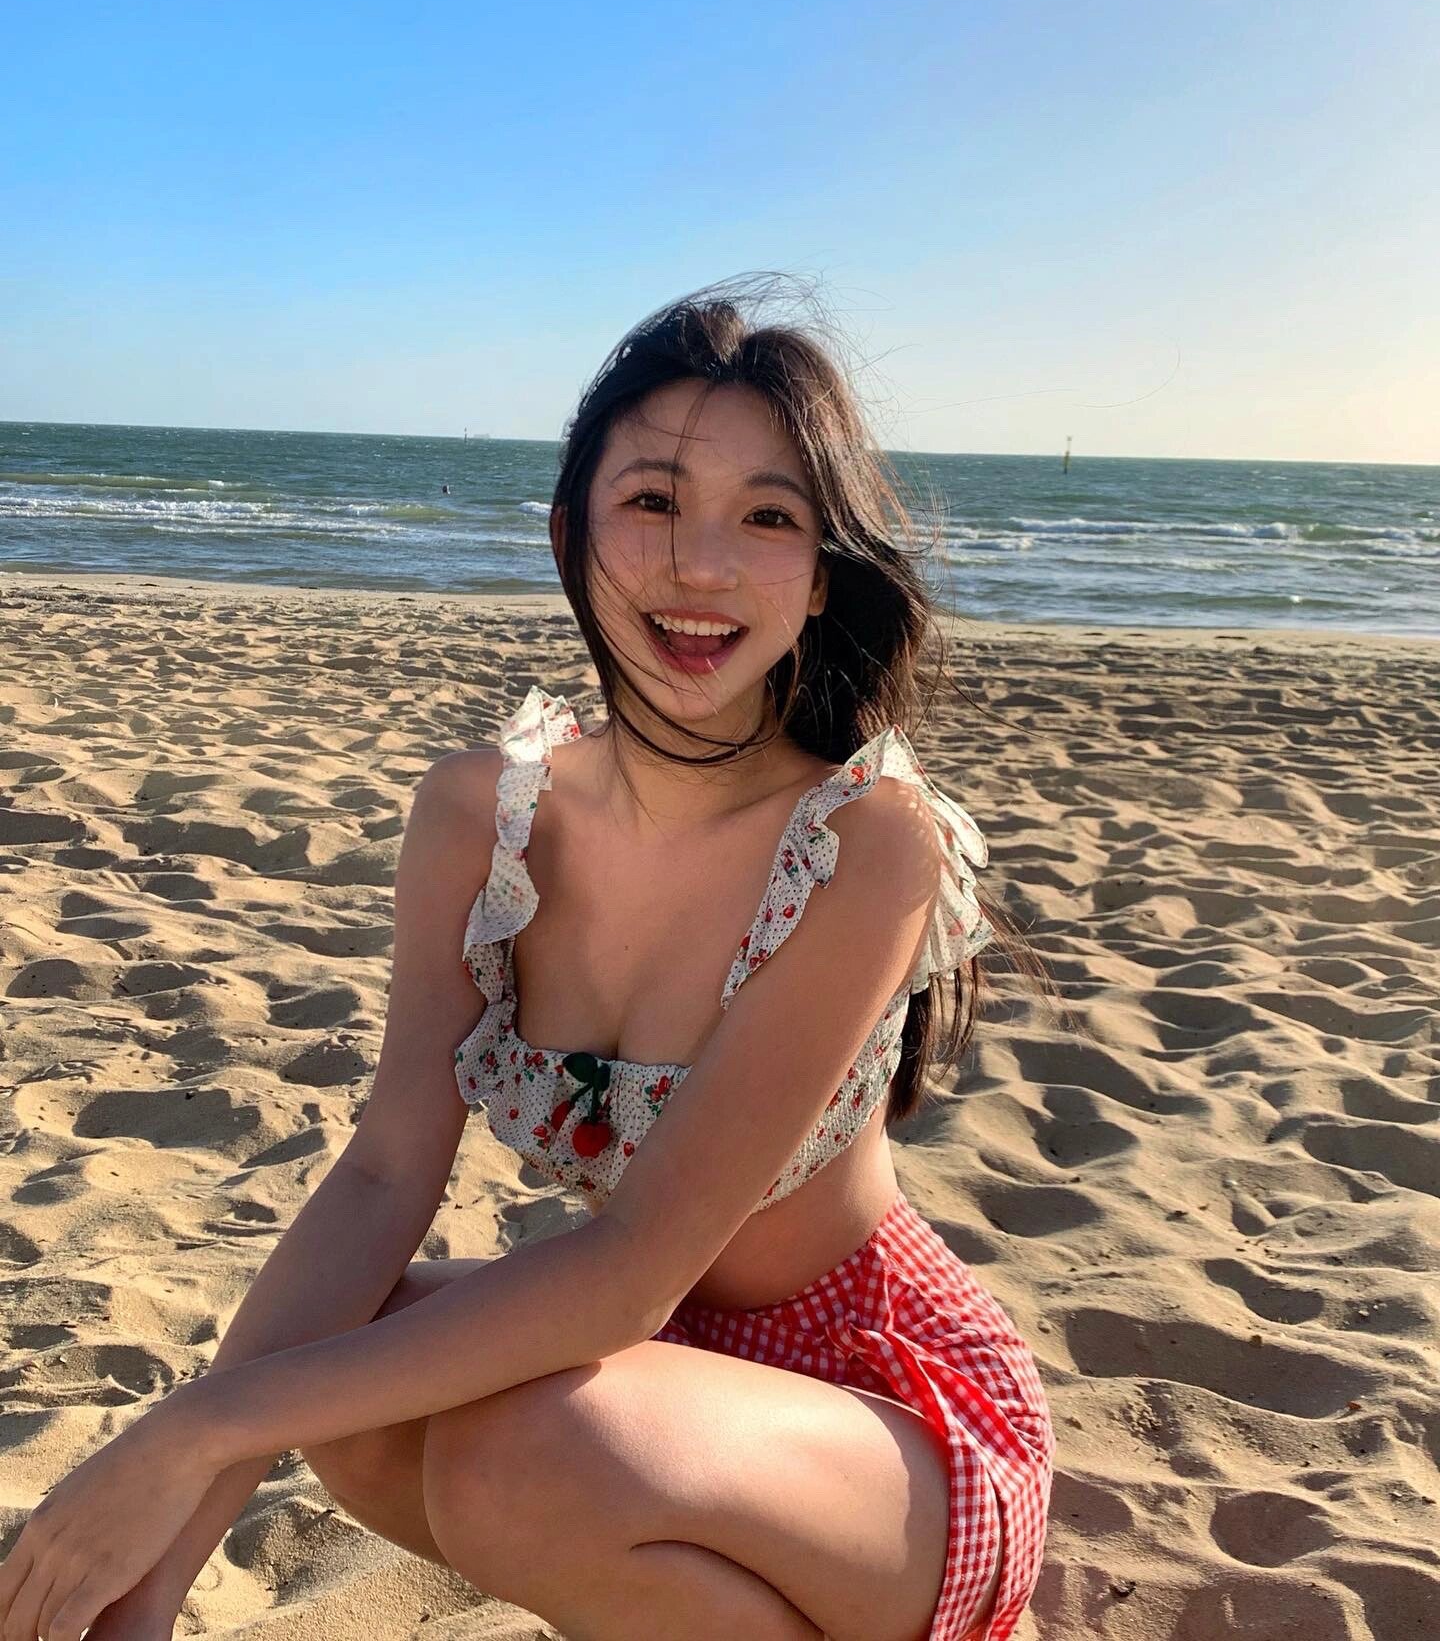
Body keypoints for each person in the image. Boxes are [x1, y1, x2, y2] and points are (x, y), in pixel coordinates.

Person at [0, 277, 1053, 1641]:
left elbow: (633, 1268)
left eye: (768, 517)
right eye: (653, 501)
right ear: (570, 533)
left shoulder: (864, 839)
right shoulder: (478, 819)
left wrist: (189, 1428)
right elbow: (383, 1174)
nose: (702, 567)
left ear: (818, 575)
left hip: (880, 1413)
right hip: (650, 1388)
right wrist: (157, 1570)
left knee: (513, 1458)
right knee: (356, 1382)